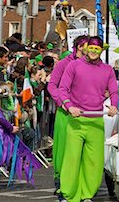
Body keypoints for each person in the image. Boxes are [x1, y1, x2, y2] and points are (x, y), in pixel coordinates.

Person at [58, 36, 118, 202]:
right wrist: (69, 106)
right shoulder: (73, 66)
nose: (93, 51)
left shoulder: (108, 70)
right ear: (85, 48)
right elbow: (62, 89)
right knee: (72, 158)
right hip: (76, 120)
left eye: (97, 49)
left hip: (96, 121)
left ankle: (87, 195)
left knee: (94, 161)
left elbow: (114, 91)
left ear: (102, 50)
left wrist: (114, 105)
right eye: (90, 48)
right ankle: (69, 195)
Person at [47, 35, 89, 195]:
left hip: (85, 112)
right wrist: (63, 103)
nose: (85, 53)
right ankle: (60, 181)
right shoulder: (63, 64)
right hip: (66, 113)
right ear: (75, 48)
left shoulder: (91, 65)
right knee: (63, 148)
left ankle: (80, 182)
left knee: (82, 149)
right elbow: (52, 85)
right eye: (81, 49)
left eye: (87, 50)